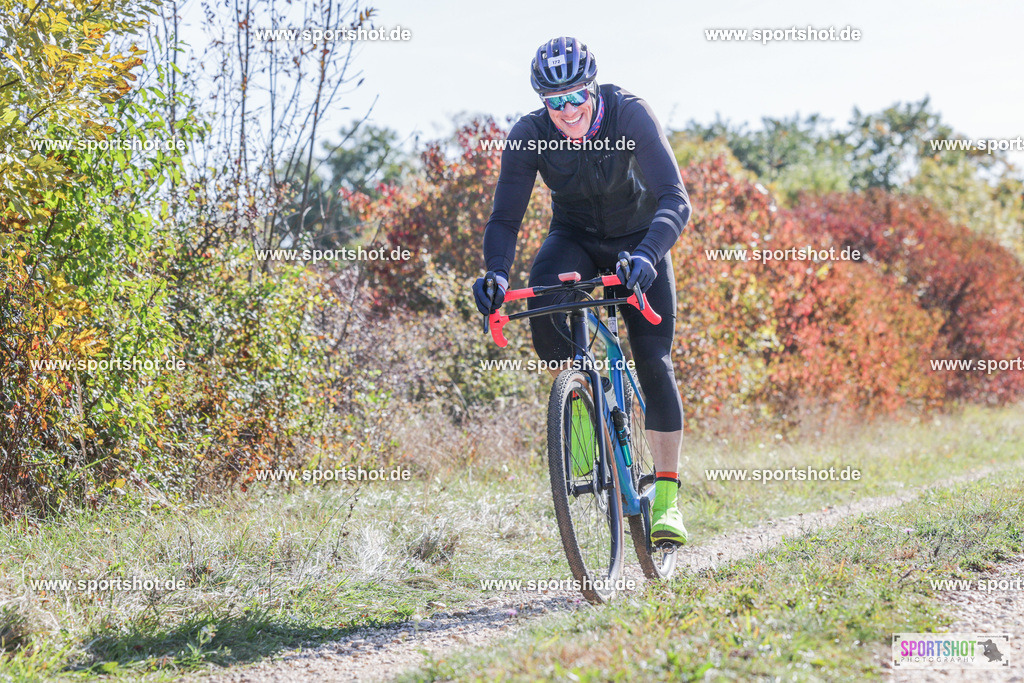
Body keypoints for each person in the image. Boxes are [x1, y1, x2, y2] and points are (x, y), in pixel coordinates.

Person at [472, 36, 691, 544]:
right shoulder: (529, 135)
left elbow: (675, 200)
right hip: (572, 240)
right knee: (544, 313)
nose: (567, 111)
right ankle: (582, 410)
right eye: (555, 102)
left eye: (576, 97)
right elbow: (505, 217)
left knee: (654, 361)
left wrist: (648, 255)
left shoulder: (629, 114)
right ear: (541, 102)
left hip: (639, 241)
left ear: (593, 88)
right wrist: (495, 275)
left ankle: (667, 499)